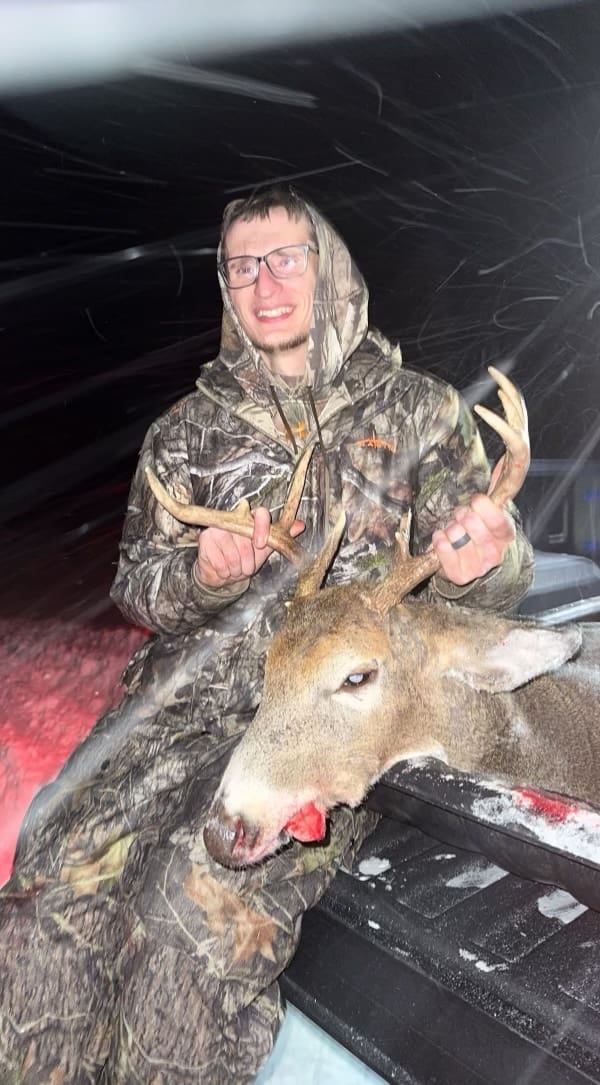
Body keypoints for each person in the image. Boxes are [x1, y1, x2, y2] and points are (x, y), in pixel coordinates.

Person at [0, 186, 533, 1084]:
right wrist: (201, 575)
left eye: (286, 258)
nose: (265, 283)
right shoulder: (185, 433)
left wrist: (486, 557)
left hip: (323, 724)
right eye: (243, 266)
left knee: (187, 927)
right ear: (225, 285)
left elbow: (489, 579)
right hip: (176, 712)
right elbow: (139, 587)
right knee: (46, 894)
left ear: (330, 270)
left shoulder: (420, 414)